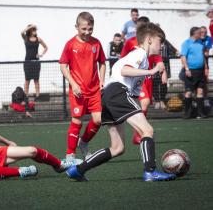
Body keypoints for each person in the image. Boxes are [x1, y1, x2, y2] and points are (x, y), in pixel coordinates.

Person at [66, 22, 176, 182]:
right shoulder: (140, 54)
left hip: (107, 96)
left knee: (117, 148)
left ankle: (78, 170)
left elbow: (131, 85)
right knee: (147, 131)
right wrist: (151, 71)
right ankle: (150, 172)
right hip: (117, 92)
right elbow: (125, 70)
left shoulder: (143, 59)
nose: (161, 46)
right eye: (160, 42)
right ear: (150, 40)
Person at [59, 12, 106, 162]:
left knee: (98, 120)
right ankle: (70, 154)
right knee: (77, 122)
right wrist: (73, 84)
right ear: (77, 27)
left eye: (90, 29)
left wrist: (102, 81)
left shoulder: (96, 43)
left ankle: (84, 143)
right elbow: (63, 65)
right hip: (77, 91)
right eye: (84, 29)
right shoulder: (70, 44)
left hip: (94, 91)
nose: (87, 32)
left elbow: (102, 62)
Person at [120, 16, 168, 144]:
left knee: (144, 103)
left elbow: (158, 59)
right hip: (137, 76)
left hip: (147, 78)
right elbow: (123, 60)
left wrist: (164, 72)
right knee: (144, 102)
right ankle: (140, 132)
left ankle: (140, 133)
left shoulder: (153, 44)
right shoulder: (131, 42)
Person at [181, 27, 208, 119]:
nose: (201, 34)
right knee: (188, 92)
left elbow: (203, 56)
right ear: (194, 34)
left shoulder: (201, 43)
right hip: (191, 71)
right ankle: (187, 113)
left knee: (200, 91)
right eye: (199, 33)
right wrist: (187, 69)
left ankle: (200, 113)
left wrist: (206, 67)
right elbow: (183, 57)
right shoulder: (186, 43)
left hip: (200, 71)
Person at [21, 24, 48, 98]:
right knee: (27, 80)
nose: (35, 31)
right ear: (30, 30)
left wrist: (41, 54)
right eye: (33, 30)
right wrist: (30, 26)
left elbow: (46, 47)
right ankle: (25, 96)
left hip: (36, 62)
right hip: (27, 62)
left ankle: (37, 95)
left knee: (36, 80)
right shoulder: (26, 38)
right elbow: (21, 32)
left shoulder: (38, 39)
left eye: (35, 30)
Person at [153, 36, 179, 109]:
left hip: (165, 66)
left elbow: (175, 52)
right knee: (154, 84)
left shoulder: (166, 42)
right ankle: (157, 100)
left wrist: (177, 53)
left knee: (163, 85)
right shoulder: (152, 41)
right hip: (154, 66)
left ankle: (162, 100)